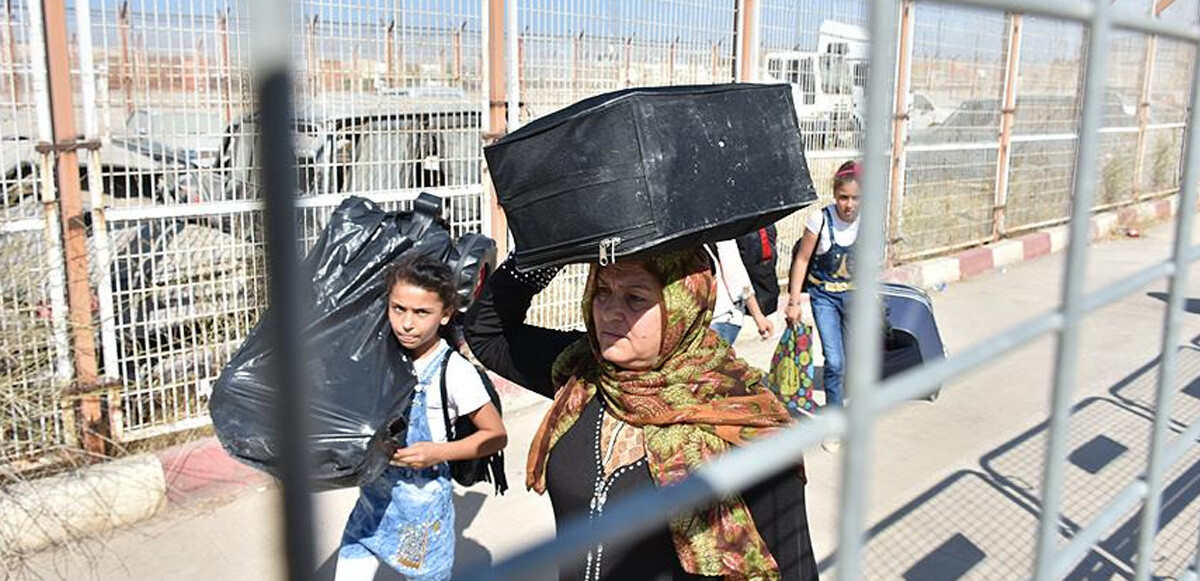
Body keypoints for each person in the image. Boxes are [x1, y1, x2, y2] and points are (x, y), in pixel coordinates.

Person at [464, 249, 819, 581]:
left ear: (684, 302)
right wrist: (550, 245)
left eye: (635, 298)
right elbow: (487, 330)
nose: (609, 311)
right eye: (602, 290)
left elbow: (795, 569)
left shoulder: (744, 422)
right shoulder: (583, 374)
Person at [335, 253, 507, 581]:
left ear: (445, 315)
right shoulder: (381, 355)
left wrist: (437, 453)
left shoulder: (454, 372)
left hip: (421, 520)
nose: (407, 323)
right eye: (398, 309)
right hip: (372, 508)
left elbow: (496, 436)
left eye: (422, 312)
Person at [784, 160, 861, 413]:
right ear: (835, 195)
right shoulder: (820, 220)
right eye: (843, 197)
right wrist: (794, 302)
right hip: (825, 297)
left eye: (855, 198)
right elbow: (802, 259)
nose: (849, 205)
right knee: (835, 361)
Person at [708, 239, 774, 345]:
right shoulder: (719, 231)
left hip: (717, 318)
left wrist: (758, 316)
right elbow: (737, 275)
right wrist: (758, 316)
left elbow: (737, 276)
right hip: (721, 317)